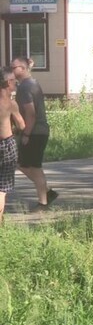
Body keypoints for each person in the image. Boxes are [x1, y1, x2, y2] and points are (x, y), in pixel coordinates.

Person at [12, 56, 57, 209]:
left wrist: (26, 134)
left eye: (14, 67)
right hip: (37, 131)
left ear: (23, 69)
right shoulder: (31, 83)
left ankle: (43, 203)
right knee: (22, 164)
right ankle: (46, 192)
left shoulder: (25, 87)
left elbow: (31, 113)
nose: (12, 70)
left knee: (34, 168)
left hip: (35, 132)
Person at [0, 67, 25, 223]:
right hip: (6, 145)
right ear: (8, 82)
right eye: (14, 81)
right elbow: (22, 125)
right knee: (2, 188)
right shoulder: (10, 104)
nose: (16, 83)